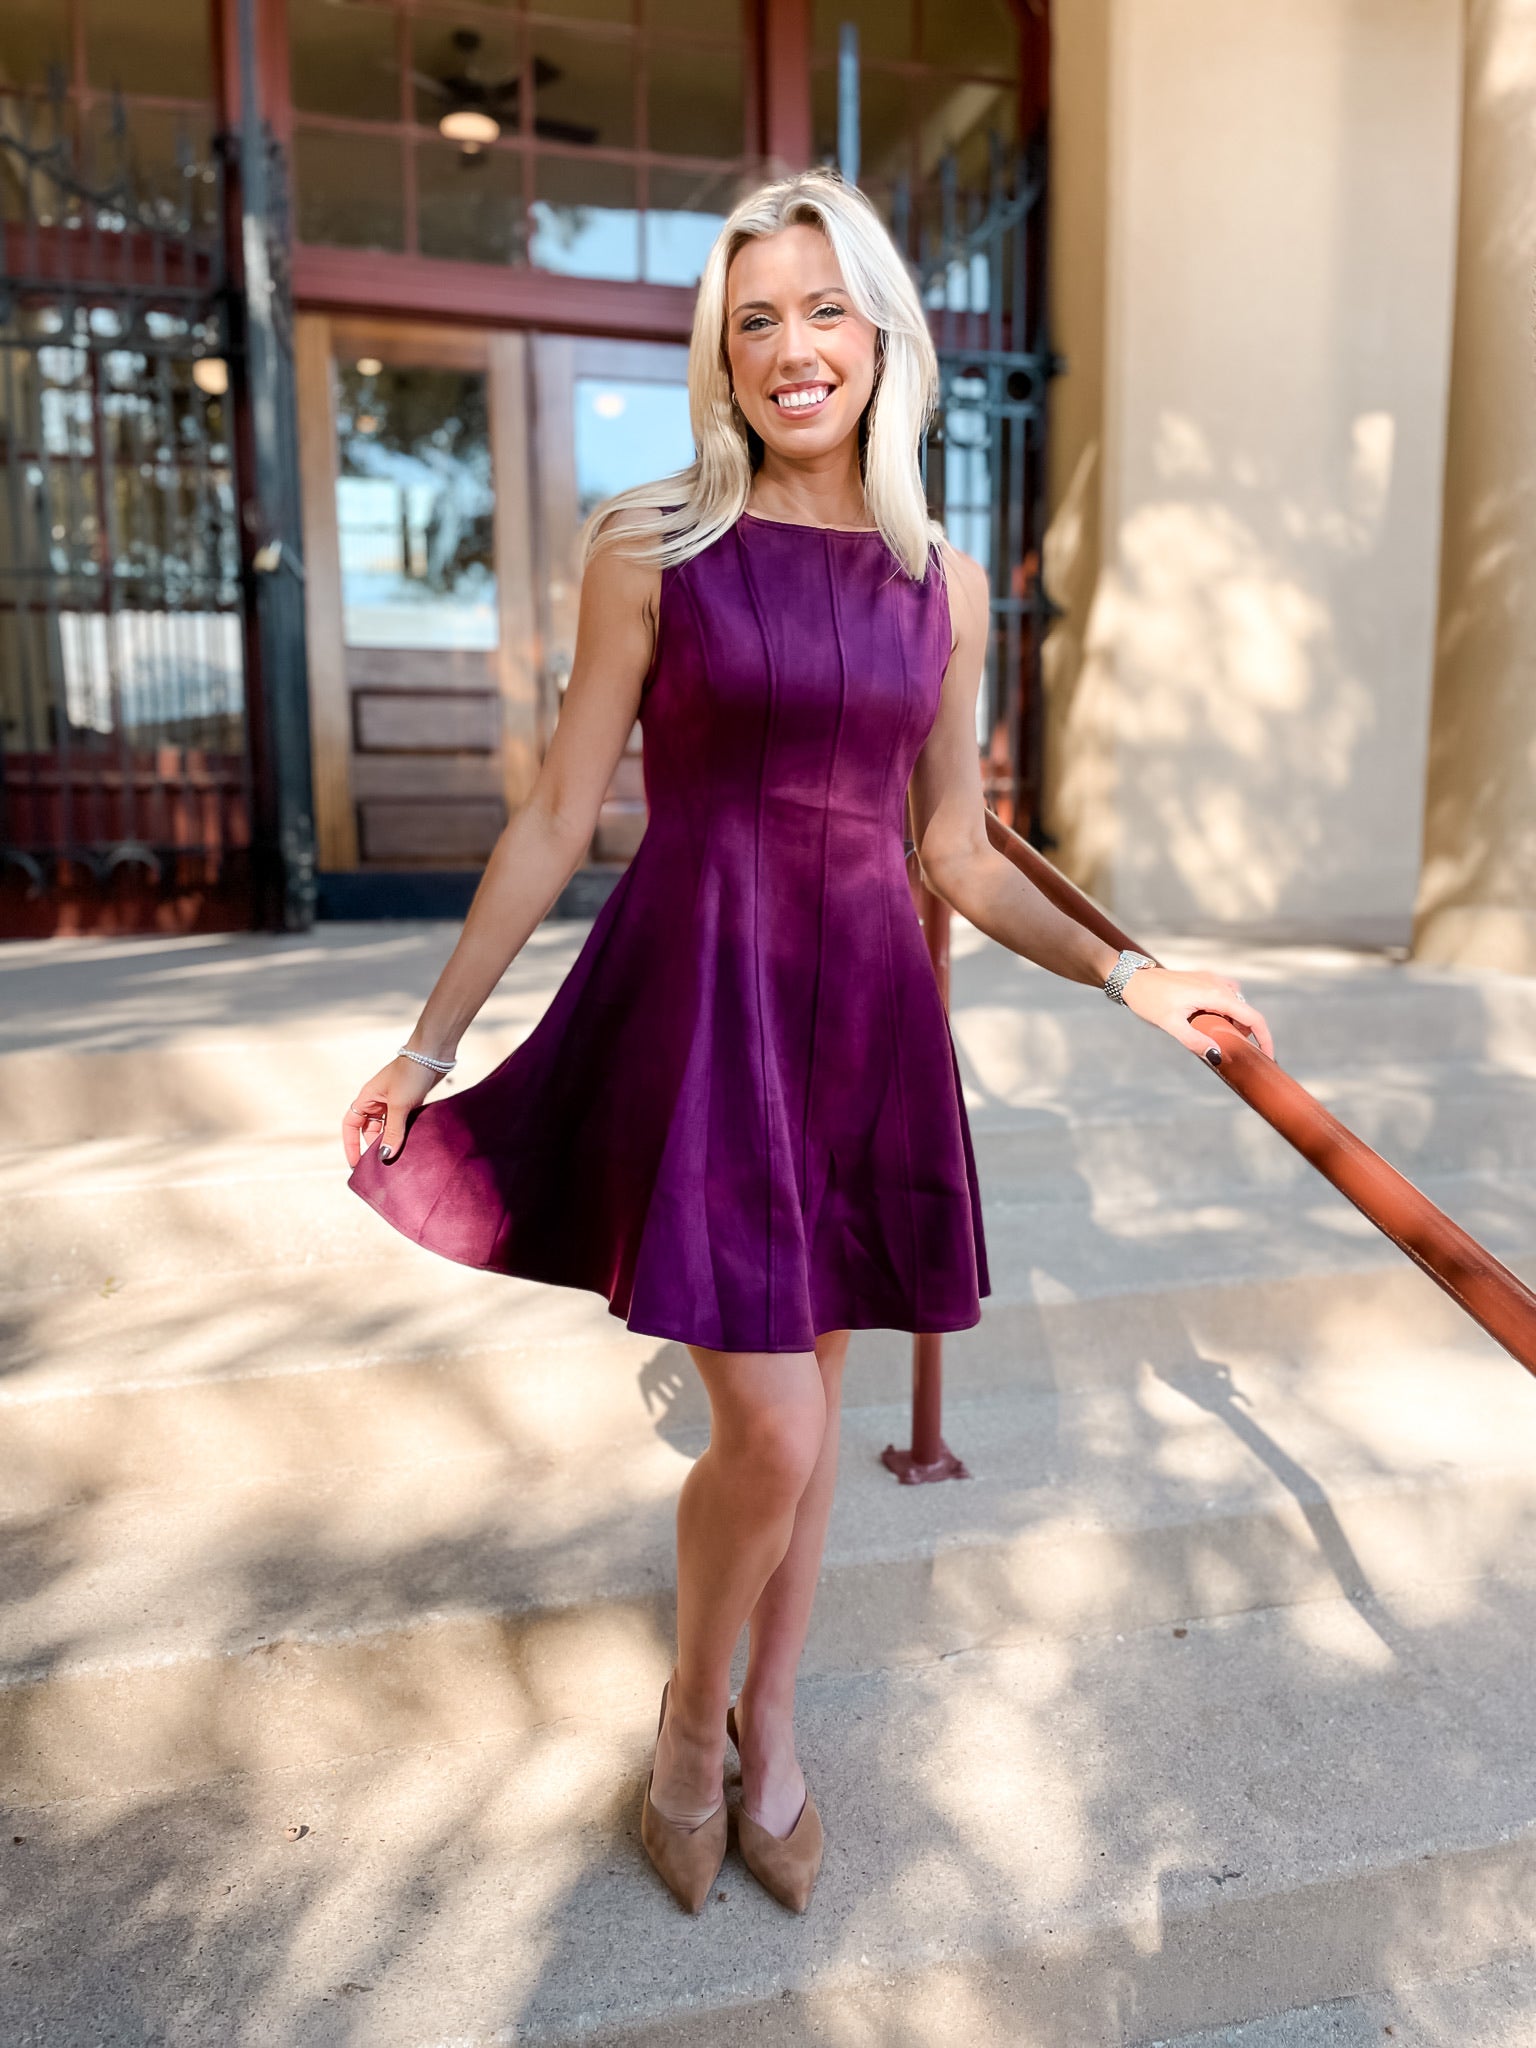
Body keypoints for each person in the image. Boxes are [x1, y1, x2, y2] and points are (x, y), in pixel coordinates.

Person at [341, 169, 1275, 1918]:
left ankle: (774, 1731)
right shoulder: (653, 543)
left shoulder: (944, 580)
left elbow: (957, 849)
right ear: (722, 350)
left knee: (819, 1410)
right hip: (704, 998)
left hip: (861, 1015)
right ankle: (690, 1723)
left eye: (824, 311)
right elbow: (555, 820)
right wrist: (428, 1044)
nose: (792, 349)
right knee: (767, 1429)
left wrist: (1138, 979)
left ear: (883, 339)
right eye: (754, 317)